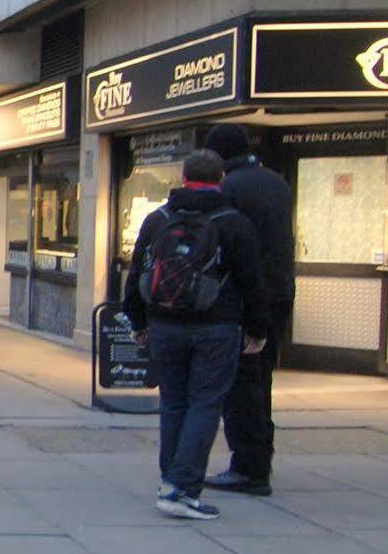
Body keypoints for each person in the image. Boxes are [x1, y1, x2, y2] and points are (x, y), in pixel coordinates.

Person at [123, 148, 270, 522]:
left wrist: (137, 322)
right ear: (220, 178)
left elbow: (137, 272)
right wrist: (258, 329)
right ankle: (182, 487)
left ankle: (169, 480)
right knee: (205, 404)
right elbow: (253, 282)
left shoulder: (159, 219)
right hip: (217, 327)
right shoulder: (234, 222)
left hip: (165, 326)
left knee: (173, 403)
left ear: (183, 177)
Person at [203, 123, 295, 497]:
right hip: (280, 294)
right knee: (262, 379)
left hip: (246, 297)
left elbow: (228, 246)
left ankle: (249, 466)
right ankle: (259, 457)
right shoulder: (275, 181)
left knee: (241, 385)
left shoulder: (230, 189)